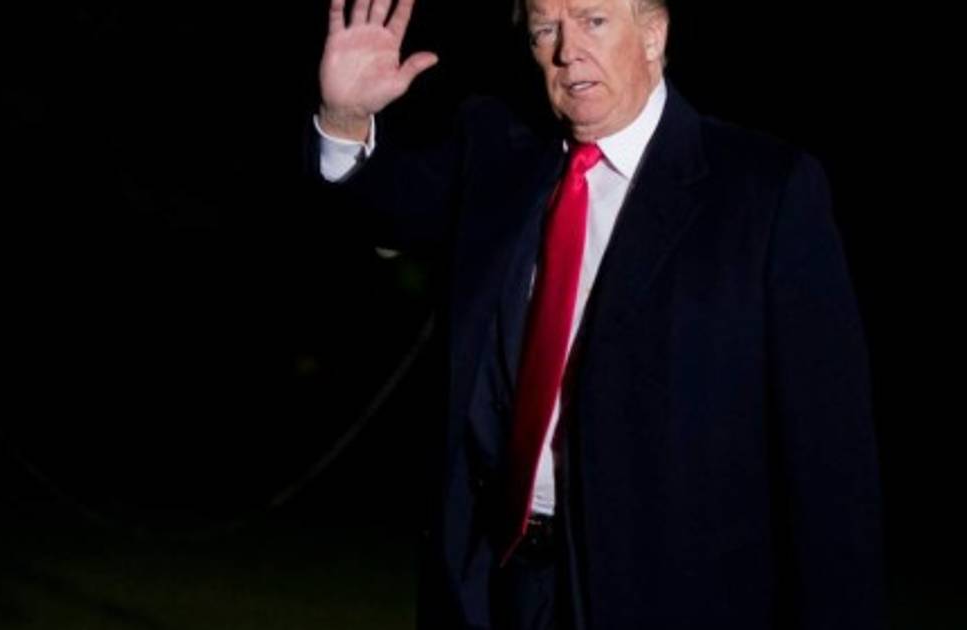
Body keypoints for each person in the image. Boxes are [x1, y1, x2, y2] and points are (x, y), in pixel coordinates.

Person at [311, 0, 884, 628]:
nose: (567, 51)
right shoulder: (500, 145)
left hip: (666, 595)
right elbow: (390, 216)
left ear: (653, 35)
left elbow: (829, 457)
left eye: (593, 21)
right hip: (494, 584)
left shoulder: (763, 191)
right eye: (546, 29)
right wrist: (346, 119)